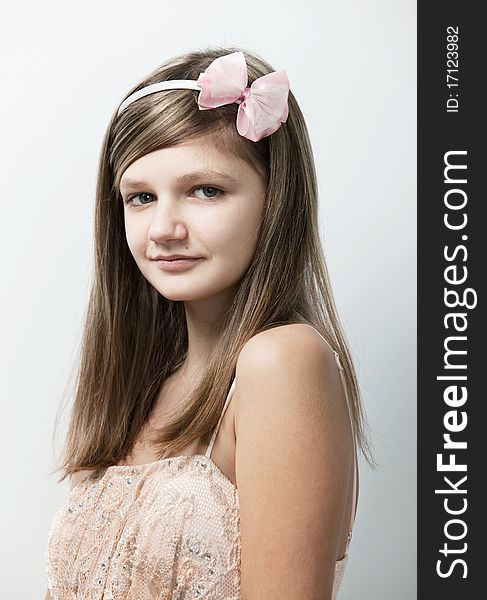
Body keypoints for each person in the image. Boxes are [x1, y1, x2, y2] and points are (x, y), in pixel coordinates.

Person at [44, 46, 375, 600]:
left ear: (276, 201)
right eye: (141, 197)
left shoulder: (282, 362)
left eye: (205, 190)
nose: (163, 228)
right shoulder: (137, 389)